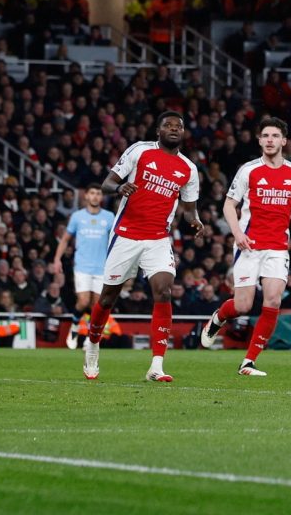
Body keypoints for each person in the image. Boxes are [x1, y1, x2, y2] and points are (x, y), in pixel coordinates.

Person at [83, 111, 211, 383]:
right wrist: (119, 189)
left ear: (184, 133)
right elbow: (107, 183)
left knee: (164, 291)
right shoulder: (139, 151)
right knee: (107, 298)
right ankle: (92, 344)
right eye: (168, 125)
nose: (174, 129)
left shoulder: (188, 169)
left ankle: (156, 365)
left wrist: (195, 221)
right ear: (158, 130)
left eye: (179, 126)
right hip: (126, 235)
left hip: (158, 239)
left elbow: (189, 210)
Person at [199, 117, 291, 376]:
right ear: (259, 141)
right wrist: (237, 234)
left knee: (273, 300)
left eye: (274, 136)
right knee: (244, 305)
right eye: (265, 135)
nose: (270, 140)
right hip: (249, 245)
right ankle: (218, 318)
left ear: (283, 141)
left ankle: (248, 361)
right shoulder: (248, 170)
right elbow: (228, 205)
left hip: (278, 247)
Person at [50, 185, 116, 350]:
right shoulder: (77, 217)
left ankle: (89, 338)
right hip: (82, 266)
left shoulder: (109, 217)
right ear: (86, 196)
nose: (95, 196)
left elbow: (116, 240)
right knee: (83, 301)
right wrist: (57, 259)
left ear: (102, 197)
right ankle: (74, 327)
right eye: (92, 193)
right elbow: (65, 239)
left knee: (96, 305)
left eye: (98, 193)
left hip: (102, 267)